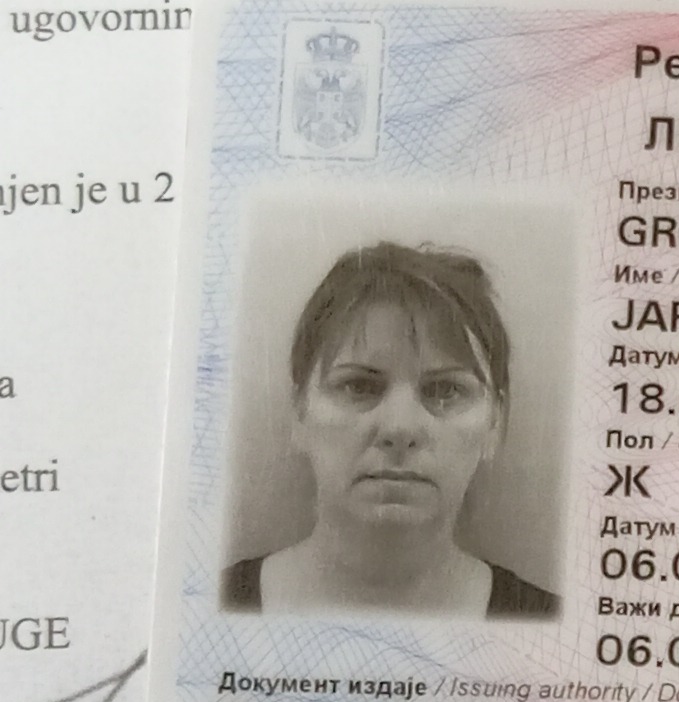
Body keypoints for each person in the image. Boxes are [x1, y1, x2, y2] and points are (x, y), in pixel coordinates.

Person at [223, 241, 560, 621]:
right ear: (299, 412)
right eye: (358, 386)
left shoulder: (550, 621)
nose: (400, 428)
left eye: (446, 390)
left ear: (495, 423)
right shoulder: (204, 603)